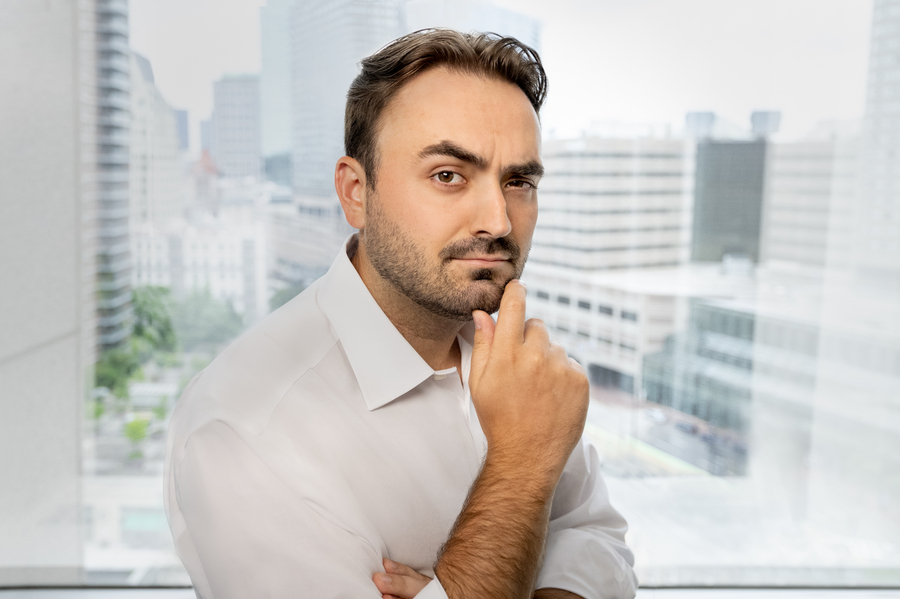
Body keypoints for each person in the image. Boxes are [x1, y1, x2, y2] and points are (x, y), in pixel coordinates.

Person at [164, 29, 637, 599]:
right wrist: (519, 467)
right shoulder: (244, 430)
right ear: (355, 193)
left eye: (519, 181)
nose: (499, 220)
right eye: (448, 175)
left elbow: (602, 546)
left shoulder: (519, 364)